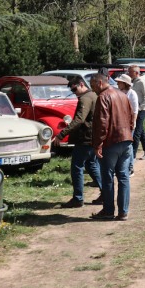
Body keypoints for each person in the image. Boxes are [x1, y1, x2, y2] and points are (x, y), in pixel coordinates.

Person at [90, 72, 133, 221]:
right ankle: (123, 212)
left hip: (111, 143)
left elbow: (102, 123)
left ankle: (108, 211)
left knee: (108, 177)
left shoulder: (103, 97)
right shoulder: (122, 95)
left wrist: (98, 144)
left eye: (94, 86)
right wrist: (129, 133)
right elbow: (131, 117)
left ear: (100, 83)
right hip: (126, 141)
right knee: (123, 177)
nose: (93, 90)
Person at [54, 75, 102, 208]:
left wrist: (61, 134)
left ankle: (78, 199)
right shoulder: (93, 95)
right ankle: (106, 193)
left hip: (85, 139)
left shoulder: (85, 98)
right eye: (72, 91)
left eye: (75, 89)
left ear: (81, 85)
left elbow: (79, 119)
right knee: (92, 165)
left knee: (77, 168)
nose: (74, 93)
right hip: (93, 138)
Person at [115, 74, 138, 177]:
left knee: (128, 145)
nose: (117, 83)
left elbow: (135, 111)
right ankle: (121, 167)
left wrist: (132, 124)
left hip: (128, 123)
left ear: (125, 84)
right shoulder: (118, 92)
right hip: (120, 123)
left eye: (119, 82)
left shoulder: (132, 94)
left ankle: (130, 168)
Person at [128, 65, 145, 160]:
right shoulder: (132, 82)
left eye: (130, 72)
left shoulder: (141, 82)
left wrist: (139, 108)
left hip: (141, 110)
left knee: (137, 133)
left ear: (136, 73)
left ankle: (133, 156)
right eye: (129, 72)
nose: (129, 74)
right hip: (135, 110)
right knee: (141, 131)